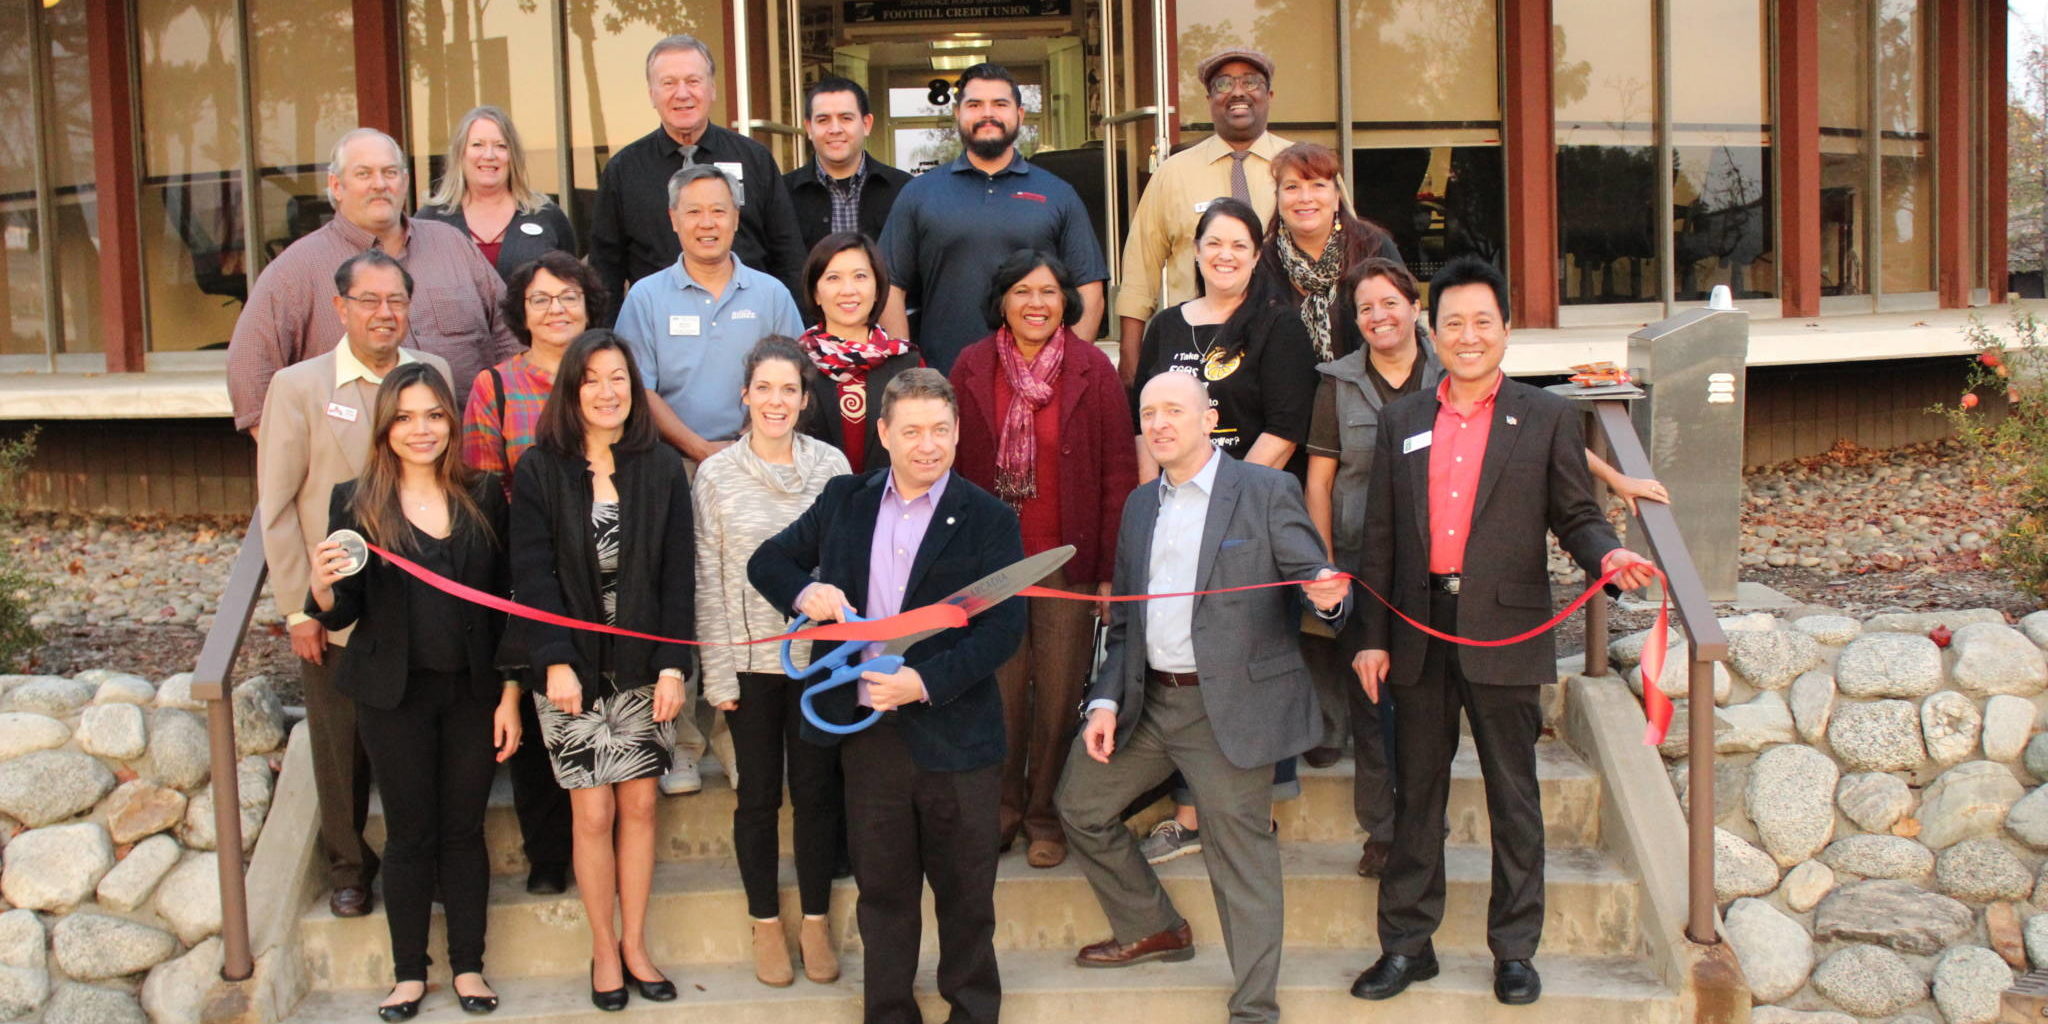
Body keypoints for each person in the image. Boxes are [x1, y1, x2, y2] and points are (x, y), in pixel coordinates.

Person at [1348, 256, 1659, 1007]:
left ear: (1507, 332)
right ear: (1433, 332)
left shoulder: (1545, 417)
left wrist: (1609, 555)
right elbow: (1381, 538)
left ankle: (1514, 949)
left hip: (1506, 631)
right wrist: (1370, 636)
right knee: (1413, 794)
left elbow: (1576, 514)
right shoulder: (1403, 420)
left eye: (1483, 321)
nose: (1468, 335)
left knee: (1512, 796)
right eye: (1453, 322)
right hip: (1419, 630)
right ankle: (1406, 944)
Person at [1056, 370, 1350, 1024]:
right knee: (1079, 804)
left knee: (1241, 861)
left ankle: (1254, 1008)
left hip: (1233, 709)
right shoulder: (1140, 506)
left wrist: (1328, 597)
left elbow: (1318, 581)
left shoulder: (1267, 490)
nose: (1159, 424)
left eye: (1173, 411)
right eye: (1149, 413)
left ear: (1208, 415)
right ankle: (1154, 926)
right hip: (1149, 702)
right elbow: (1126, 624)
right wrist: (1104, 701)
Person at [748, 368, 1026, 1024]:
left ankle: (972, 1011)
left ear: (958, 431)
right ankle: (890, 1012)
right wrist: (803, 592)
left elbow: (1004, 630)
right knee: (884, 896)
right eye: (911, 432)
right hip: (869, 735)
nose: (928, 445)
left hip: (958, 740)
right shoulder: (845, 500)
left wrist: (924, 683)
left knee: (966, 897)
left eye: (940, 430)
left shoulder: (988, 517)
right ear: (883, 434)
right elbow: (769, 562)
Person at [305, 362, 520, 1021]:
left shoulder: (484, 494)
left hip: (473, 694)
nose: (420, 429)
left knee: (462, 829)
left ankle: (468, 967)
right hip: (389, 695)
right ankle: (406, 975)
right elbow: (342, 613)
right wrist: (318, 590)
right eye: (405, 417)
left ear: (451, 423)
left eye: (433, 415)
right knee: (408, 833)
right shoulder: (355, 500)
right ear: (385, 428)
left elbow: (509, 603)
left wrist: (510, 697)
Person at [256, 251, 453, 919]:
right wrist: (297, 609)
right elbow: (278, 507)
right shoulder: (298, 387)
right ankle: (348, 864)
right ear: (340, 308)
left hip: (421, 610)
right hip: (340, 605)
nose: (384, 313)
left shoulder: (433, 377)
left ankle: (419, 862)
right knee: (341, 749)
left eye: (395, 299)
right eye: (368, 300)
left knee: (418, 750)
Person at [1125, 198, 1315, 865]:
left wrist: (1221, 501)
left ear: (1256, 255)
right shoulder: (1166, 327)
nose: (1225, 255)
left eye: (1239, 245)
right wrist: (1161, 497)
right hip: (1174, 514)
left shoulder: (1277, 327)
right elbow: (1145, 421)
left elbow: (1286, 429)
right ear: (1194, 251)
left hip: (1247, 519)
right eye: (1213, 244)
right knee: (1180, 657)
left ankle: (1251, 808)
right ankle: (1187, 811)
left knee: (1249, 657)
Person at [505, 330, 690, 1012]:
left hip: (645, 665)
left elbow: (678, 574)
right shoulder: (539, 469)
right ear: (572, 390)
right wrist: (553, 659)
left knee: (640, 804)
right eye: (593, 380)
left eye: (620, 379)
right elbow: (533, 574)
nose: (608, 392)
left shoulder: (661, 466)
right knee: (593, 812)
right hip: (572, 672)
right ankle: (603, 947)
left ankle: (637, 943)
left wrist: (675, 664)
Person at [614, 162, 802, 795]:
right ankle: (684, 744)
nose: (706, 223)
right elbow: (637, 388)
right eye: (692, 211)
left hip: (759, 468)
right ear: (673, 220)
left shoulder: (772, 295)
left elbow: (792, 382)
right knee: (685, 598)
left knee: (745, 600)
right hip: (676, 466)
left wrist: (749, 451)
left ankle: (736, 735)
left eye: (718, 210)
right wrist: (698, 448)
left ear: (736, 216)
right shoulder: (645, 297)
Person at [949, 249, 1136, 869]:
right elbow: (948, 473)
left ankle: (1044, 813)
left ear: (1067, 302)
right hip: (994, 566)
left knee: (1059, 695)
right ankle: (1001, 809)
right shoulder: (971, 367)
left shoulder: (1092, 370)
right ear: (1002, 299)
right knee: (998, 695)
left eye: (1050, 292)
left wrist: (1109, 571)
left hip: (1067, 562)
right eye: (1023, 291)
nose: (1037, 303)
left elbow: (1117, 476)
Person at [693, 337, 852, 987]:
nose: (776, 401)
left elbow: (847, 569)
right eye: (765, 389)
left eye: (789, 389)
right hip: (751, 664)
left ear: (805, 399)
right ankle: (765, 924)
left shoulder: (833, 468)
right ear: (745, 395)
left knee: (816, 794)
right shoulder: (717, 475)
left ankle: (814, 921)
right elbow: (709, 576)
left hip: (818, 664)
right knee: (756, 797)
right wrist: (719, 672)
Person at [460, 251, 607, 896]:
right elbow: (481, 486)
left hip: (603, 566)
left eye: (568, 296)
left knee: (595, 697)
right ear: (522, 313)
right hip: (526, 568)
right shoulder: (496, 385)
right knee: (533, 697)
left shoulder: (610, 373)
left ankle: (599, 845)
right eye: (542, 299)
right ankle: (547, 854)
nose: (557, 309)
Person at [228, 128, 519, 430]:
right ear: (336, 186)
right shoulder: (296, 269)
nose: (379, 185)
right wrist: (294, 456)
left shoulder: (451, 245)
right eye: (364, 174)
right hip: (356, 468)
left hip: (465, 458)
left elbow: (510, 335)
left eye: (390, 172)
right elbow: (251, 368)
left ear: (404, 182)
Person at [1302, 258, 1441, 879]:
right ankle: (1381, 831)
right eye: (1365, 308)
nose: (1379, 316)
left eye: (1389, 303)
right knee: (1371, 699)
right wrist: (1323, 563)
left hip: (1439, 566)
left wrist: (1613, 476)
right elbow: (1320, 481)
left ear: (1414, 307)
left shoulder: (1450, 371)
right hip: (1361, 564)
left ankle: (1423, 823)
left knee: (1428, 701)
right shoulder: (1337, 383)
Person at [877, 62, 1107, 373]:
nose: (988, 114)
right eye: (975, 104)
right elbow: (889, 285)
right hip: (943, 379)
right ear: (958, 114)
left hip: (1038, 381)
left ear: (1020, 115)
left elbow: (1089, 290)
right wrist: (907, 369)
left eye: (1000, 104)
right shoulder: (919, 193)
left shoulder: (1058, 194)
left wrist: (1065, 371)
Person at [590, 34, 807, 314]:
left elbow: (788, 254)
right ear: (651, 93)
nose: (682, 94)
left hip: (750, 325)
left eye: (693, 81)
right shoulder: (623, 170)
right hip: (659, 331)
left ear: (712, 89)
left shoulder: (755, 159)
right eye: (668, 83)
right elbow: (605, 268)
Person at [1113, 49, 1291, 386]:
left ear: (1269, 95)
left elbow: (1347, 251)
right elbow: (1140, 268)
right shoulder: (1172, 173)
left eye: (1251, 82)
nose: (1238, 92)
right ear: (1209, 98)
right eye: (1224, 84)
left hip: (1284, 341)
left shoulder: (1303, 168)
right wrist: (1131, 353)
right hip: (1194, 346)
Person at [1260, 142, 1404, 366]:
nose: (1305, 197)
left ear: (1336, 197)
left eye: (1317, 185)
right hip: (1289, 396)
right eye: (1292, 187)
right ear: (1277, 198)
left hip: (1372, 392)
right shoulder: (1262, 262)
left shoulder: (1373, 248)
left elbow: (1403, 323)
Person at [796, 232, 921, 472]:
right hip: (814, 504)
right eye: (833, 278)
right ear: (815, 293)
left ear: (877, 289)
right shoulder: (795, 364)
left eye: (860, 276)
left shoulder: (908, 364)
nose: (848, 290)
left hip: (891, 503)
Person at [417, 106, 577, 284]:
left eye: (500, 146)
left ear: (513, 156)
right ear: (460, 153)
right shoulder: (430, 220)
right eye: (477, 145)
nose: (489, 155)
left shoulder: (547, 215)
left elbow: (571, 283)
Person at [784, 76, 912, 251]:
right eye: (823, 120)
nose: (835, 129)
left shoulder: (903, 190)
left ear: (866, 124)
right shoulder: (783, 194)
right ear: (809, 129)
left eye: (846, 118)